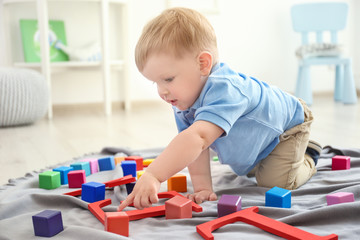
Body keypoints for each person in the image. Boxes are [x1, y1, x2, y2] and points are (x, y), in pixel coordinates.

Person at [118, 7, 322, 211]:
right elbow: (196, 149)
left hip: (287, 128)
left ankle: (307, 155)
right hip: (259, 138)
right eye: (156, 83)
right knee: (247, 168)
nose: (162, 92)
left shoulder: (225, 89)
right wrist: (203, 188)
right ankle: (267, 159)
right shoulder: (182, 100)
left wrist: (154, 174)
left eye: (168, 79)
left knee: (274, 183)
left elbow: (198, 138)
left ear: (203, 64)